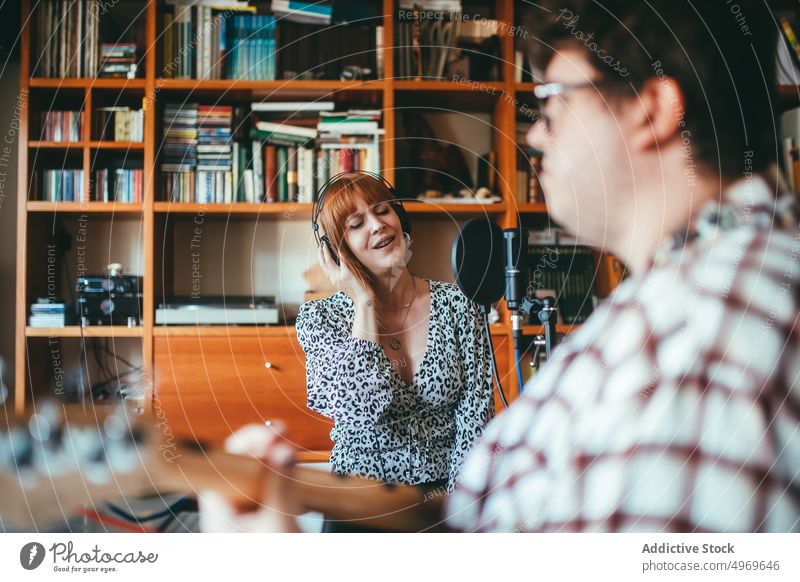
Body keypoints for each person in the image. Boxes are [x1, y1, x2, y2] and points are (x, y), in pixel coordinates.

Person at [200, 0, 800, 532]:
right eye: (355, 223)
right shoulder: (690, 295)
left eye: (553, 103)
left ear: (651, 111)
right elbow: (366, 411)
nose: (536, 136)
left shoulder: (702, 335)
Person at [298, 172, 495, 529]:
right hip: (357, 505)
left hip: (444, 503)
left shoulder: (459, 304)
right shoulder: (319, 319)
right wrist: (363, 303)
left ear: (400, 217)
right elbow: (359, 409)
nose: (377, 225)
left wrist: (456, 509)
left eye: (383, 210)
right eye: (356, 224)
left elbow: (476, 421)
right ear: (335, 251)